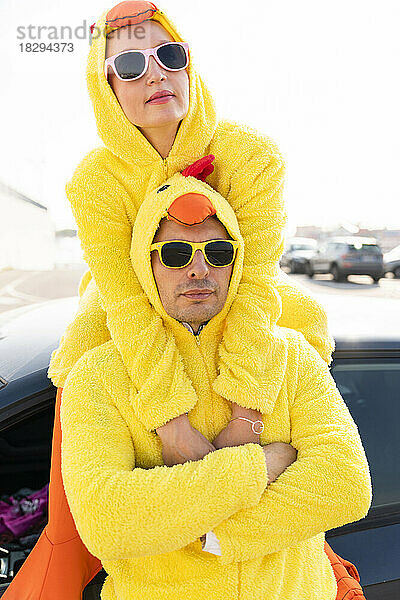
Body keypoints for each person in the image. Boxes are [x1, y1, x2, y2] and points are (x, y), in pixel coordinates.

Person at [58, 169, 372, 600]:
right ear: (144, 262)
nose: (198, 269)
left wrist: (211, 537)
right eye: (175, 254)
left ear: (236, 260)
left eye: (218, 252)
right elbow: (108, 522)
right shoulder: (97, 376)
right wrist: (260, 466)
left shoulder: (291, 356)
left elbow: (346, 484)